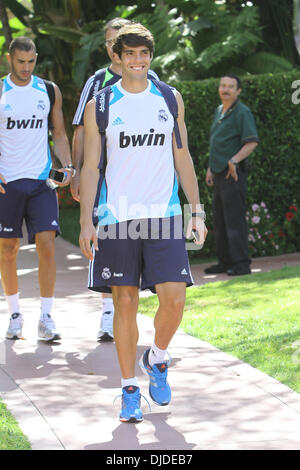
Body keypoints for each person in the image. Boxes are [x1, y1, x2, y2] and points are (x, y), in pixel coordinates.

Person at [79, 23, 207, 422]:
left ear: (151, 57)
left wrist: (197, 209)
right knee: (126, 301)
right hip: (117, 218)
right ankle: (128, 389)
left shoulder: (169, 98)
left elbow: (182, 158)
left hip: (164, 216)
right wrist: (86, 221)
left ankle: (158, 356)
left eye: (144, 54)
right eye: (130, 54)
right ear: (117, 57)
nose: (138, 61)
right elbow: (90, 167)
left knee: (175, 300)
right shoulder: (100, 104)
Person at [71, 18, 158, 342]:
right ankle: (109, 314)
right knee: (106, 247)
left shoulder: (153, 81)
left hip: (146, 186)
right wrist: (78, 170)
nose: (114, 47)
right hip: (106, 181)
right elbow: (80, 127)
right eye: (110, 42)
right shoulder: (97, 82)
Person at [0, 37, 74, 341]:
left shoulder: (47, 90)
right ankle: (15, 314)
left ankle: (46, 317)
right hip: (8, 184)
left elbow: (59, 132)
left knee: (46, 244)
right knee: (8, 249)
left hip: (42, 181)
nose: (27, 68)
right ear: (10, 59)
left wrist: (67, 166)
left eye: (31, 62)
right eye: (21, 62)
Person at [205, 74, 259, 276]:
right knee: (220, 219)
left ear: (238, 91)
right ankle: (225, 261)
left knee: (234, 220)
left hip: (233, 174)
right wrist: (211, 168)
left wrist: (234, 160)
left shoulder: (242, 112)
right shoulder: (219, 110)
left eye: (230, 87)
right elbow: (217, 142)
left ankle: (242, 264)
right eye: (223, 85)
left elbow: (252, 141)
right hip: (218, 174)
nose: (225, 89)